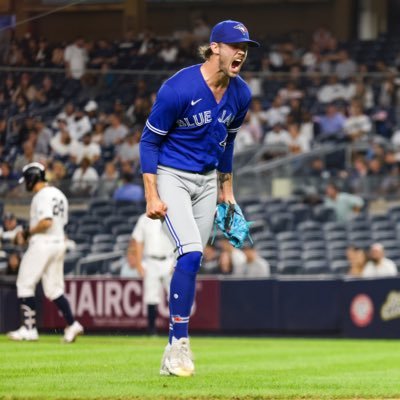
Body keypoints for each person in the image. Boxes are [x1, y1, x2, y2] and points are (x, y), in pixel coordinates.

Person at [139, 19, 259, 376]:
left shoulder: (241, 94)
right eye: (235, 46)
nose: (241, 52)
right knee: (190, 251)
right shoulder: (178, 88)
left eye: (246, 48)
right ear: (215, 48)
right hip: (172, 176)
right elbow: (149, 141)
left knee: (194, 259)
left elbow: (228, 142)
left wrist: (228, 192)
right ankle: (179, 346)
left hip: (208, 181)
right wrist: (152, 196)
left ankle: (169, 353)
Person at [7, 162, 83, 342]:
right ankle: (72, 324)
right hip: (58, 242)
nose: (26, 183)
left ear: (33, 178)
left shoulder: (41, 195)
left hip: (43, 243)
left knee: (25, 283)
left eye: (27, 179)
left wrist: (26, 232)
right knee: (53, 289)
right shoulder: (59, 194)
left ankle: (29, 329)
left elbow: (46, 221)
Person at [132, 213, 175, 335]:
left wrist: (176, 261)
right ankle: (151, 329)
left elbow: (178, 240)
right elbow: (138, 240)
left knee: (174, 295)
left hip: (169, 259)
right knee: (151, 296)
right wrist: (139, 263)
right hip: (150, 260)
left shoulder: (171, 216)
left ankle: (177, 329)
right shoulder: (144, 218)